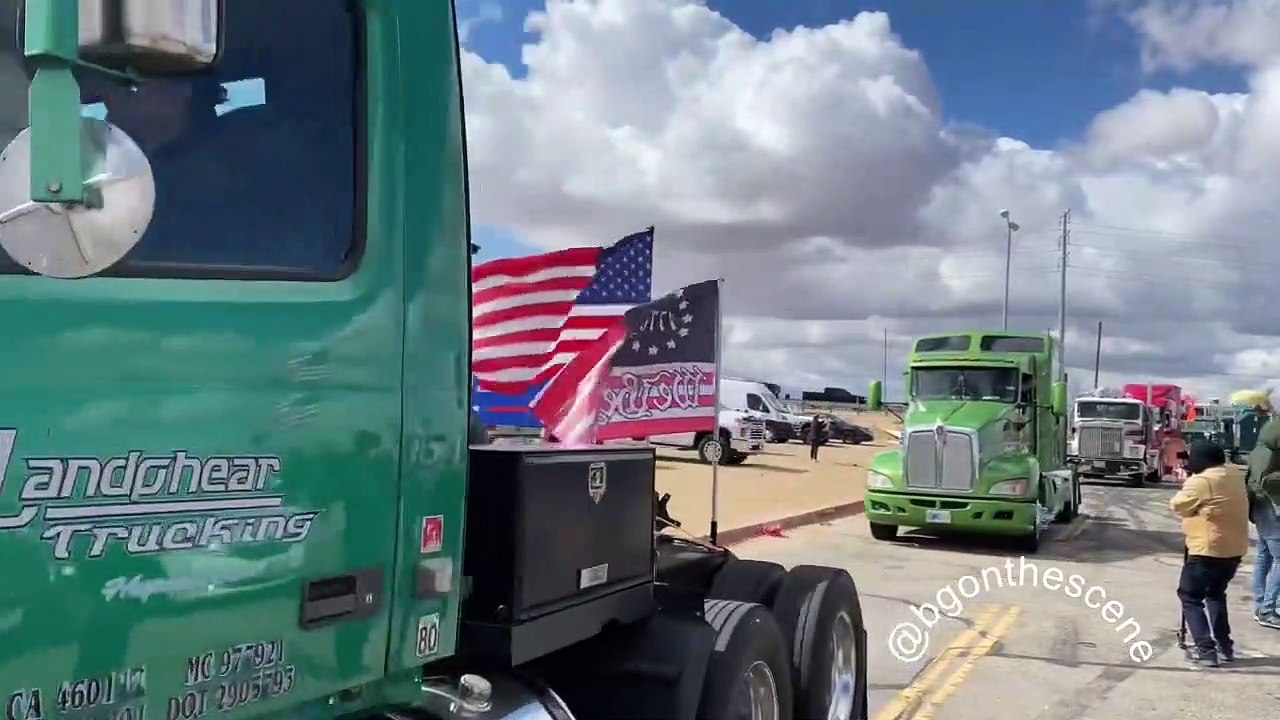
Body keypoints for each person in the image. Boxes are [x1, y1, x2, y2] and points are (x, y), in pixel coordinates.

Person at [1169, 441, 1250, 666]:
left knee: (1190, 596)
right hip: (1233, 550)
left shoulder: (1201, 481)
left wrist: (1188, 482)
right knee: (1215, 594)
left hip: (1206, 550)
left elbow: (1178, 506)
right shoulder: (1234, 476)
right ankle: (1225, 646)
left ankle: (1206, 650)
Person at [1245, 395, 1280, 628]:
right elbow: (1269, 481)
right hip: (1272, 506)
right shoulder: (1270, 453)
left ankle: (1260, 605)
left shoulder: (1261, 448)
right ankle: (1268, 609)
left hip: (1259, 505)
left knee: (1264, 556)